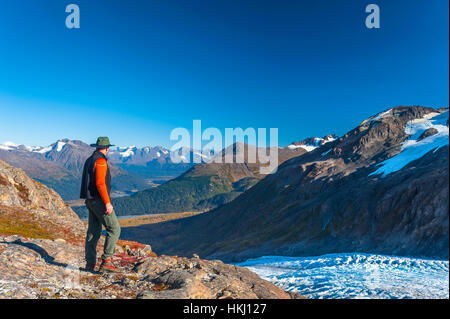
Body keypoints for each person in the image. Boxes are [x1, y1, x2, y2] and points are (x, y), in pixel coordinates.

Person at [80, 137, 121, 272]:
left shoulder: (89, 160)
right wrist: (107, 203)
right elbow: (100, 183)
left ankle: (90, 263)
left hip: (90, 200)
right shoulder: (101, 161)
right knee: (114, 229)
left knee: (93, 232)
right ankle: (107, 261)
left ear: (97, 147)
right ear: (107, 148)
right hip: (99, 201)